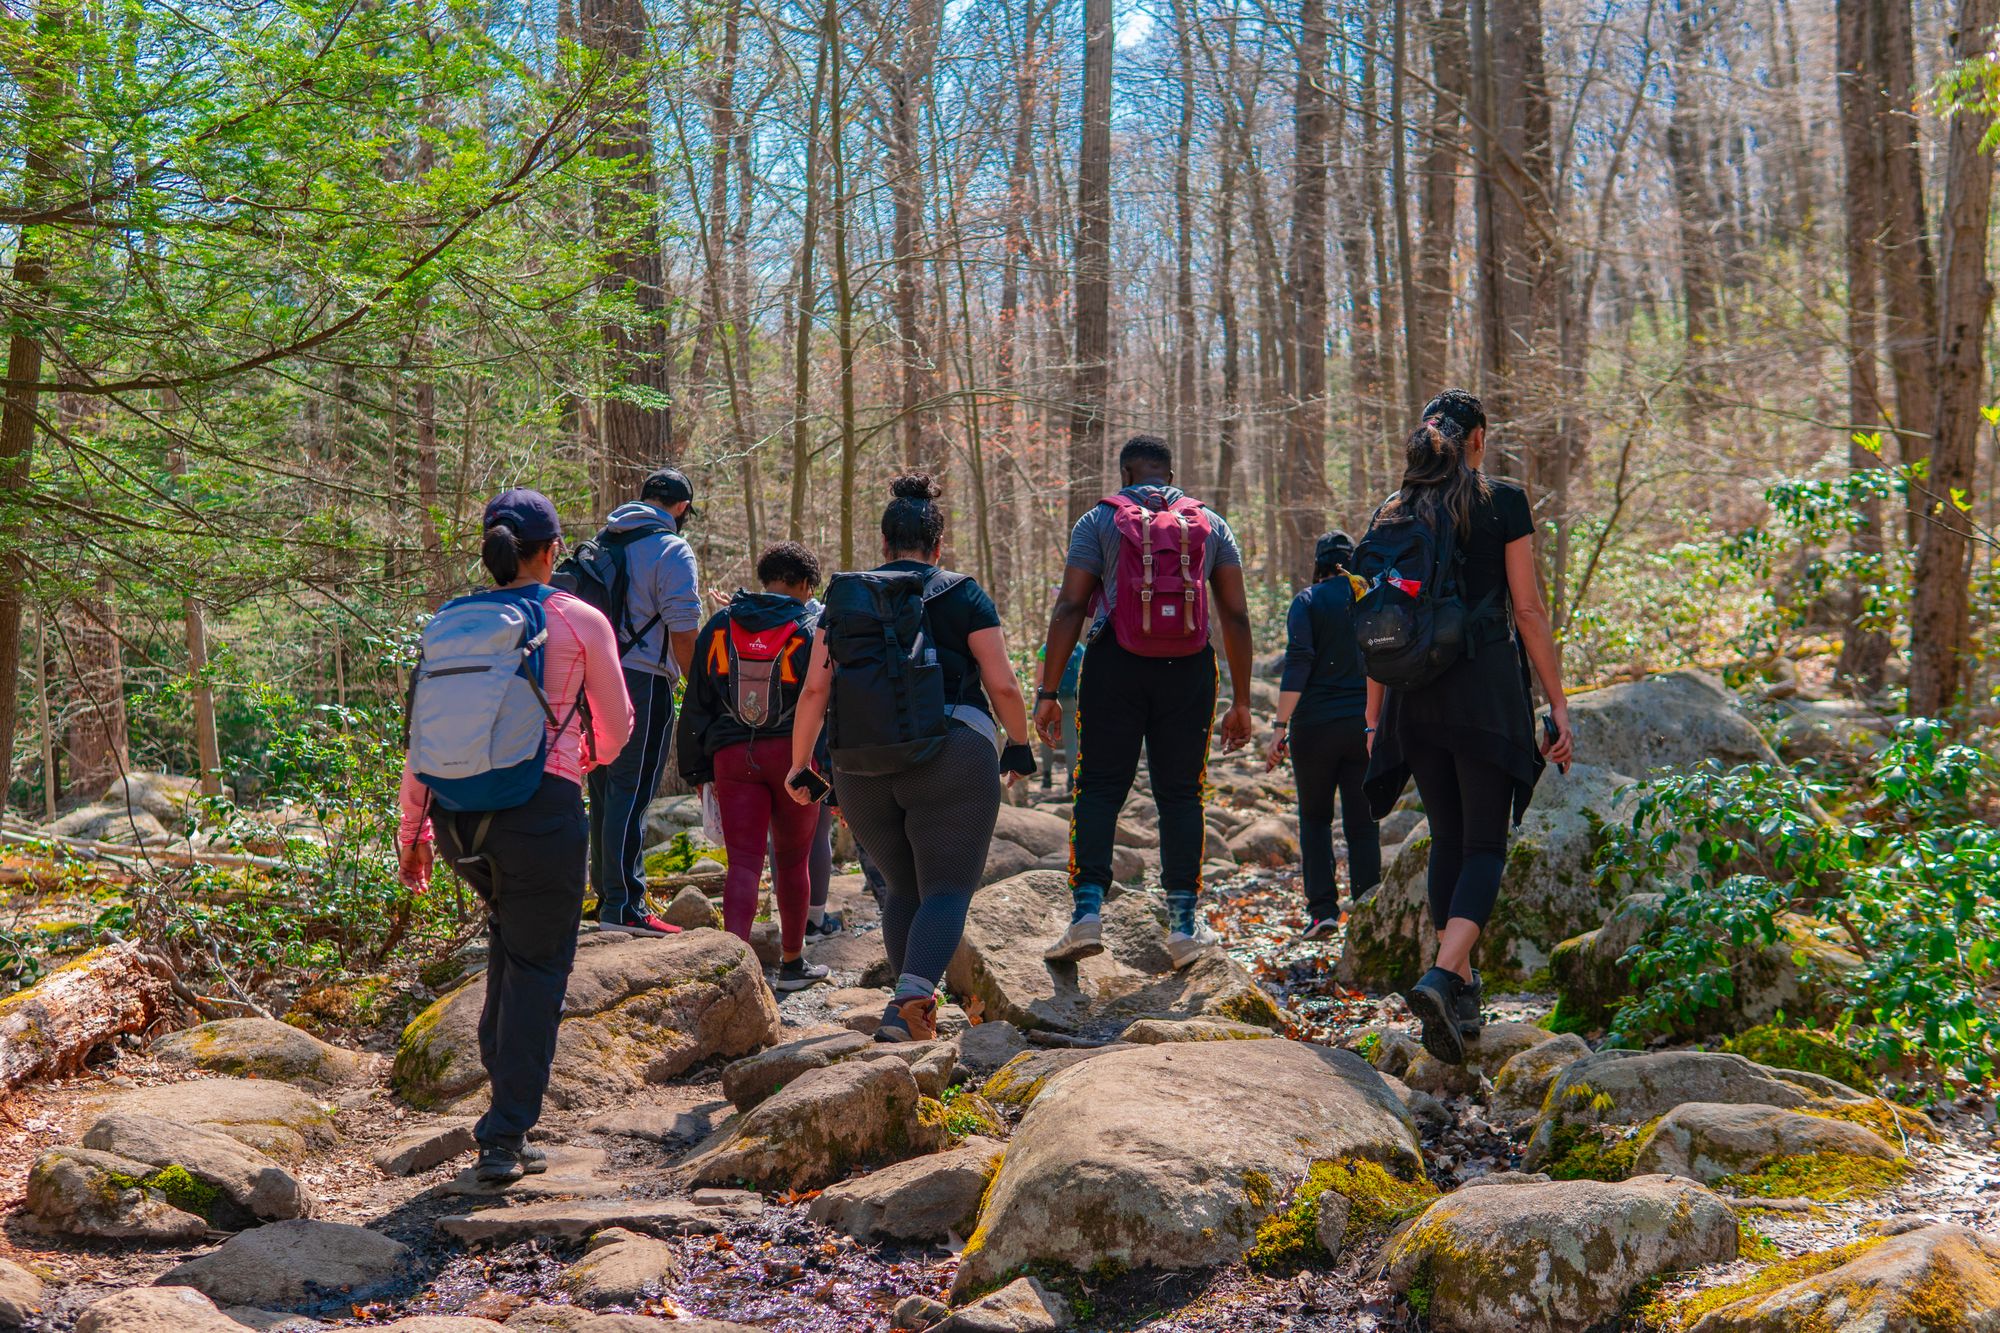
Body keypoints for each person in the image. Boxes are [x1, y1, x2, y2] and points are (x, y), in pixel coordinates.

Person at [397, 489, 634, 1185]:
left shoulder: (450, 622)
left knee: (511, 944)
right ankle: (504, 1135)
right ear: (552, 551)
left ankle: (503, 1102)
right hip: (540, 813)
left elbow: (422, 738)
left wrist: (413, 832)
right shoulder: (578, 618)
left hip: (456, 820)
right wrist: (587, 757)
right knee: (537, 966)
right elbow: (617, 726)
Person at [1361, 389, 1575, 1066]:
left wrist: (1374, 717)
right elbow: (1528, 610)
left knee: (1447, 839)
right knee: (1484, 845)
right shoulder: (1502, 501)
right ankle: (1441, 974)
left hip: (1413, 698)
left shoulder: (1393, 510)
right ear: (1477, 438)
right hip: (1483, 689)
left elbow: (1378, 622)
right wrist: (1558, 703)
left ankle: (1460, 993)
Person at [787, 475, 1036, 1042]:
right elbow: (1002, 684)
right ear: (938, 545)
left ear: (883, 543)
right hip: (952, 755)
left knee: (903, 888)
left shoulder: (844, 599)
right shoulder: (962, 594)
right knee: (946, 889)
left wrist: (802, 765)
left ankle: (911, 1015)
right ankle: (908, 1006)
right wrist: (1019, 745)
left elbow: (815, 690)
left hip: (859, 766)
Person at [1035, 435, 1255, 969]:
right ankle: (1182, 926)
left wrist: (1048, 691)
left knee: (1098, 787)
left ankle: (1087, 914)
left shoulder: (1097, 521)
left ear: (1126, 474)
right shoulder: (1211, 523)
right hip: (1191, 669)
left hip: (1115, 664)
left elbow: (1070, 607)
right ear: (1170, 474)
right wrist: (1242, 701)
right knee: (1181, 795)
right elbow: (1235, 615)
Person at [676, 541, 832, 993]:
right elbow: (826, 700)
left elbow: (698, 699)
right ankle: (792, 965)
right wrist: (830, 771)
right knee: (793, 860)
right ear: (806, 586)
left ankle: (735, 971)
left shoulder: (722, 624)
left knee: (743, 862)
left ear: (765, 579)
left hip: (731, 756)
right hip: (793, 756)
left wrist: (698, 769)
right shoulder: (810, 628)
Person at [587, 467, 703, 936]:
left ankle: (607, 896)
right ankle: (624, 906)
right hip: (643, 682)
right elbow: (684, 634)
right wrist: (701, 691)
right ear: (682, 508)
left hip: (594, 679)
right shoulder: (672, 548)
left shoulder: (604, 541)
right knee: (631, 792)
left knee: (603, 789)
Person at [1265, 531, 1380, 938]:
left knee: (1315, 819)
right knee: (1363, 824)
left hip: (1314, 728)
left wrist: (1279, 727)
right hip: (1362, 725)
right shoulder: (1369, 597)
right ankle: (1367, 911)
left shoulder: (1308, 601)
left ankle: (1322, 912)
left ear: (1319, 564)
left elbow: (1298, 661)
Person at [1037, 637, 1086, 795]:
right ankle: (1072, 781)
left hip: (1048, 700)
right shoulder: (1081, 650)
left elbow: (1039, 679)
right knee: (1071, 743)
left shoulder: (1045, 649)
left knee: (1046, 738)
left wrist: (1038, 704)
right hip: (1070, 701)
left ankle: (1046, 780)